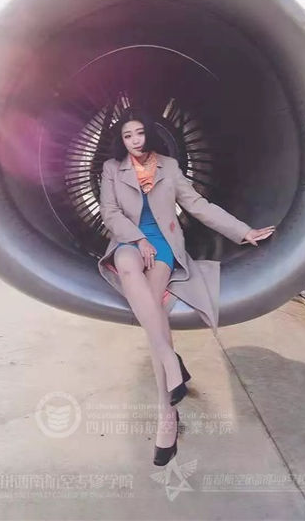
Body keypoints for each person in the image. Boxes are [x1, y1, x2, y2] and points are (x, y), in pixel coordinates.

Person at [98, 106, 275, 465]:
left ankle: (167, 415)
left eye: (139, 133)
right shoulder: (112, 169)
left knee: (155, 310)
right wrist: (137, 239)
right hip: (128, 240)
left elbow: (197, 205)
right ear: (121, 140)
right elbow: (109, 212)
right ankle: (170, 360)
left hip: (163, 243)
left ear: (149, 133)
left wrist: (243, 231)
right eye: (127, 136)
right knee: (129, 268)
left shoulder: (169, 166)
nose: (134, 141)